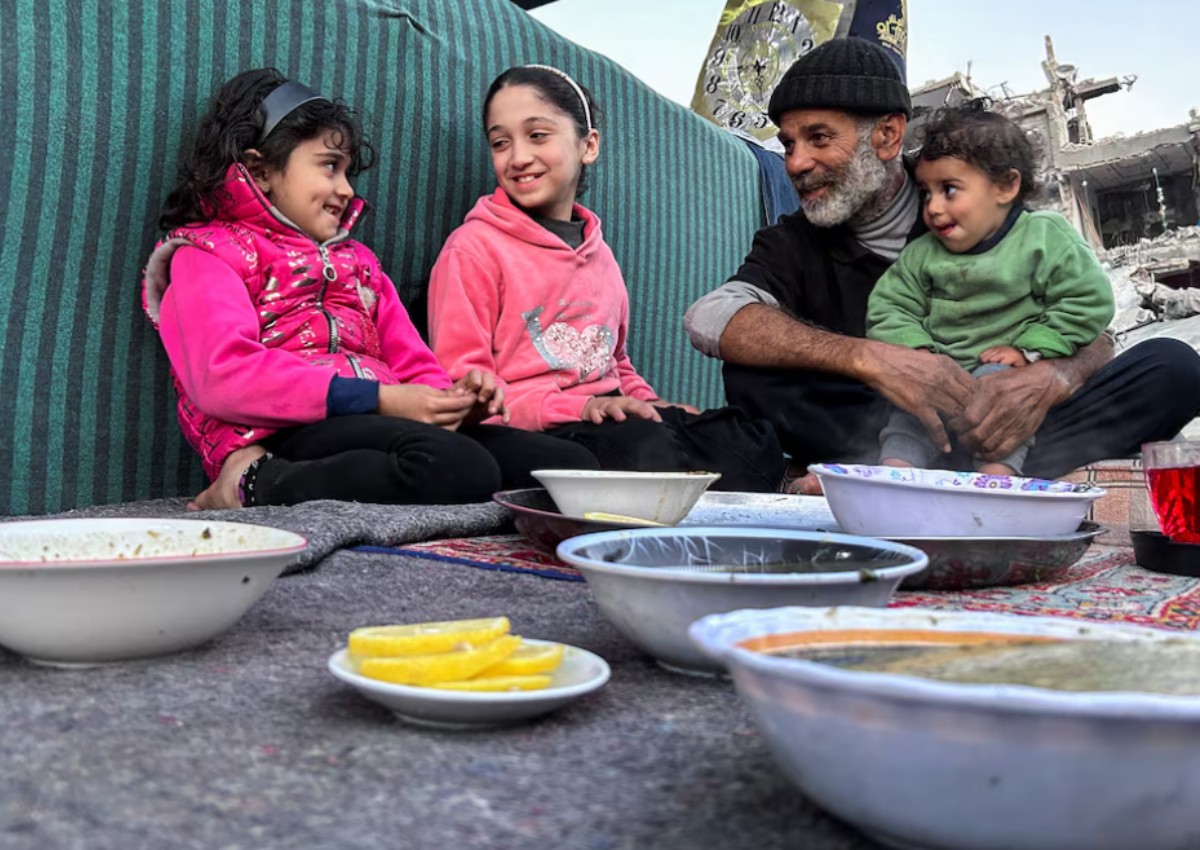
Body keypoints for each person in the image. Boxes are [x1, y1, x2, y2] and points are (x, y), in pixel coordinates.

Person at [683, 37, 1200, 492]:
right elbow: (709, 319)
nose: (795, 162)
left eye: (819, 138)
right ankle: (912, 473)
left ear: (886, 136)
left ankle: (951, 477)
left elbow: (1093, 327)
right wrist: (872, 360)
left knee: (1173, 368)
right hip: (883, 428)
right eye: (789, 144)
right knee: (754, 372)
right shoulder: (792, 241)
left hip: (1007, 422)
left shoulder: (979, 203)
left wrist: (1052, 381)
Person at [142, 68, 597, 509]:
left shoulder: (360, 265)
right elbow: (221, 378)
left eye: (347, 173)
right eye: (329, 167)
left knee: (568, 467)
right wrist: (378, 398)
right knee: (453, 466)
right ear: (260, 171)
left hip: (380, 419)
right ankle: (252, 484)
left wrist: (456, 405)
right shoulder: (205, 254)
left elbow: (413, 362)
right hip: (280, 432)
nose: (345, 190)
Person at [427, 65, 783, 492]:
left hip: (610, 418)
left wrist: (649, 402)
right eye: (500, 142)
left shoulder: (601, 257)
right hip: (531, 427)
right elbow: (464, 387)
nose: (518, 157)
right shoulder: (472, 249)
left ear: (588, 145)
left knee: (747, 438)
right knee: (638, 454)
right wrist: (578, 408)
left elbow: (614, 362)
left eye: (537, 135)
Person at [866, 103, 1114, 475]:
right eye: (926, 193)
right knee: (907, 413)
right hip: (938, 380)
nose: (932, 208)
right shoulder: (921, 253)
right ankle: (896, 473)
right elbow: (889, 307)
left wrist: (1030, 349)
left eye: (949, 189)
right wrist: (918, 355)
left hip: (1003, 377)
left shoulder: (1043, 236)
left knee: (1003, 402)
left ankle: (994, 478)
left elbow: (1087, 299)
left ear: (1005, 186)